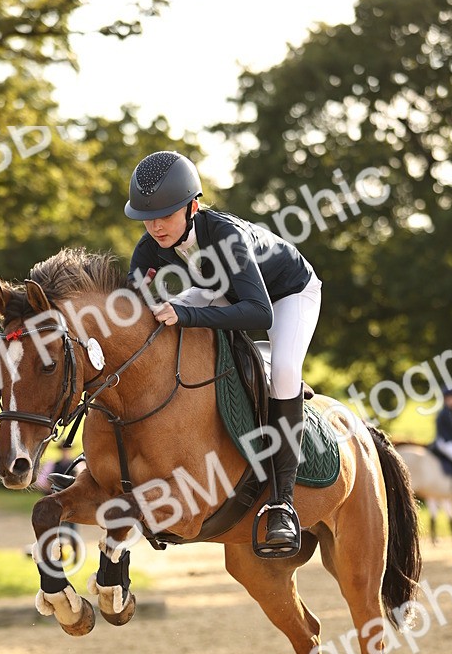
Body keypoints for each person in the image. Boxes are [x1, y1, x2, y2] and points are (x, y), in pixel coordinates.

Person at [124, 150, 322, 557]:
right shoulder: (150, 245)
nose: (156, 226)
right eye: (148, 217)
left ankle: (283, 502)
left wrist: (183, 312)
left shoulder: (226, 235)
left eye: (166, 215)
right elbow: (133, 304)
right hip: (223, 290)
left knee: (283, 370)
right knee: (165, 321)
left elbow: (257, 311)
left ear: (193, 207)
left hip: (287, 294)